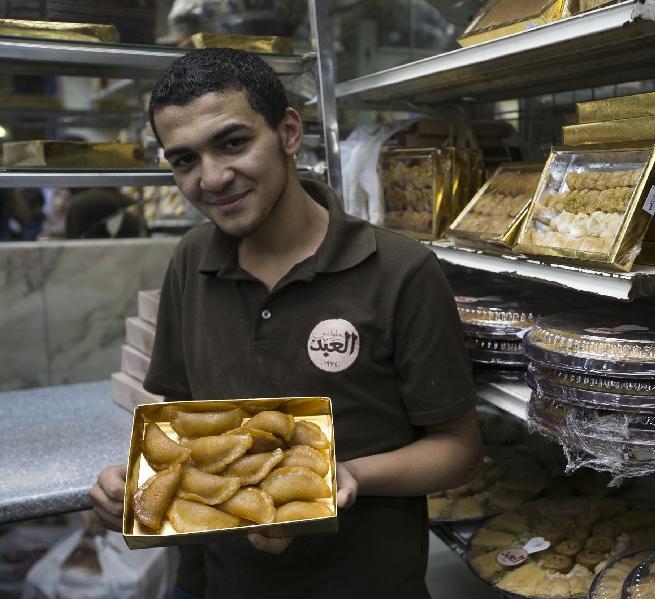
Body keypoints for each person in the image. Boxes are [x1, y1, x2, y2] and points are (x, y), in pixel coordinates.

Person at [88, 48, 482, 598]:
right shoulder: (191, 259)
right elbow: (175, 424)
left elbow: (459, 448)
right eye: (185, 161)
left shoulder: (399, 271)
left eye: (233, 143)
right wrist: (130, 484)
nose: (214, 178)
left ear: (289, 133)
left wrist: (348, 476)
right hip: (221, 582)